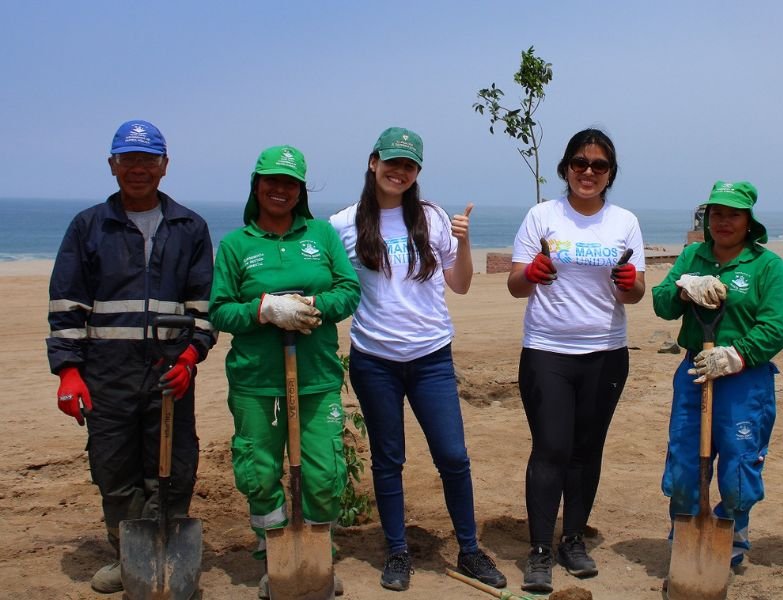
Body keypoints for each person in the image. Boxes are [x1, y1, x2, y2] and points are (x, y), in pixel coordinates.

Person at [329, 127, 506, 592]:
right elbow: (330, 286)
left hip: (431, 357)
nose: (399, 171)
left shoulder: (432, 218)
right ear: (373, 162)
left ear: (418, 172)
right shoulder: (342, 224)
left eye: (409, 165)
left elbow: (461, 284)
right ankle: (397, 551)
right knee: (389, 459)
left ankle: (469, 550)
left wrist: (465, 242)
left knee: (453, 455)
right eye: (392, 162)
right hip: (373, 359)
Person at [46, 119, 215, 594]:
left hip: (169, 371)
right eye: (128, 159)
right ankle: (130, 556)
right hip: (107, 373)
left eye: (147, 160)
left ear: (164, 166)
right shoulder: (88, 227)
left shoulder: (189, 227)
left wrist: (188, 357)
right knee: (113, 466)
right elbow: (67, 304)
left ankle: (167, 556)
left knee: (173, 464)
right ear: (112, 165)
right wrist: (69, 372)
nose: (137, 169)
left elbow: (204, 306)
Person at [209, 145, 361, 598]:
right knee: (257, 470)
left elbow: (349, 291)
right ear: (256, 185)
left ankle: (316, 559)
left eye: (290, 183)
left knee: (324, 474)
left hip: (315, 375)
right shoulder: (237, 245)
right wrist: (263, 310)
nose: (280, 189)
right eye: (272, 181)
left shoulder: (321, 235)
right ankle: (273, 557)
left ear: (301, 190)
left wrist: (314, 305)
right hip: (256, 380)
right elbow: (219, 311)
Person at [507, 128, 646, 594]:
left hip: (606, 352)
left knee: (587, 451)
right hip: (548, 350)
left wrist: (628, 281)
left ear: (610, 174)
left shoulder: (624, 221)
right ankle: (540, 551)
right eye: (580, 163)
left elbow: (636, 294)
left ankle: (573, 539)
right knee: (551, 448)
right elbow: (514, 285)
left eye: (599, 165)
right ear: (566, 167)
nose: (588, 172)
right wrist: (531, 272)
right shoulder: (542, 215)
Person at [652, 180, 783, 570]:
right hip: (695, 371)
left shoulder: (767, 266)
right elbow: (661, 304)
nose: (723, 222)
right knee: (684, 461)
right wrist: (684, 289)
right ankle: (686, 530)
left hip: (745, 380)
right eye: (717, 214)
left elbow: (778, 326)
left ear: (749, 221)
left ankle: (732, 531)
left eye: (733, 214)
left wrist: (739, 354)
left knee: (738, 465)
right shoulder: (692, 257)